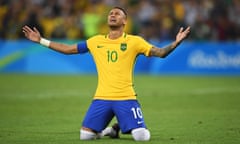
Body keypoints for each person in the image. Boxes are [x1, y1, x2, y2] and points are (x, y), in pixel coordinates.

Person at [22, 7, 190, 141]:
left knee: (141, 137)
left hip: (126, 97)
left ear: (125, 21)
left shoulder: (134, 41)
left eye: (117, 13)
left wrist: (176, 43)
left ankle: (119, 127)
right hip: (101, 97)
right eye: (110, 13)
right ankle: (110, 131)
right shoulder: (95, 41)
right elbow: (68, 49)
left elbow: (160, 53)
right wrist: (41, 40)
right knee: (85, 137)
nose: (112, 15)